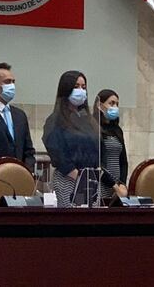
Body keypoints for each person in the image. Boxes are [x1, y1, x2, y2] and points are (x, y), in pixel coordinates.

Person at [43, 71, 104, 207]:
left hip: (91, 180)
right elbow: (58, 153)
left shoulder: (89, 120)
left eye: (84, 87)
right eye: (76, 86)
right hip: (68, 179)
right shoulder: (55, 120)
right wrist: (79, 177)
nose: (81, 90)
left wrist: (91, 177)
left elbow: (98, 149)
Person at [93, 89, 129, 202]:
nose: (115, 107)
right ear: (99, 105)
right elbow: (96, 163)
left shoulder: (117, 130)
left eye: (117, 104)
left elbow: (123, 161)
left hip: (117, 188)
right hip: (101, 184)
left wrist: (122, 184)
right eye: (111, 103)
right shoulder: (93, 128)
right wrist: (114, 185)